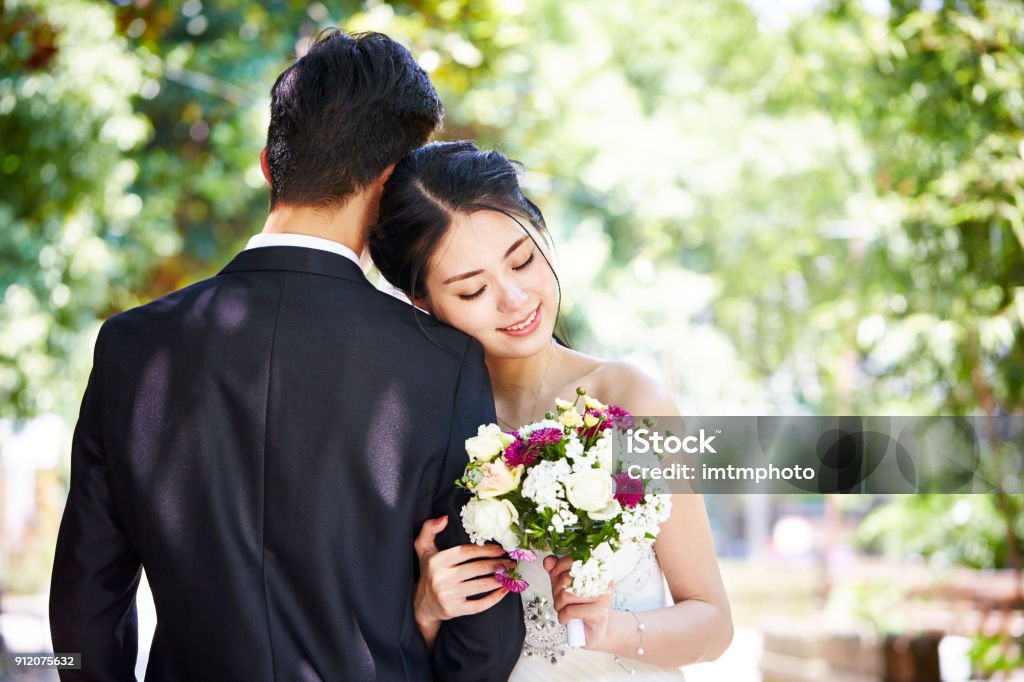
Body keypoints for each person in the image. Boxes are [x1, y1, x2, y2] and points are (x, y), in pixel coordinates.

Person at [49, 31, 524, 681]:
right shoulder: (442, 364)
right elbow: (488, 631)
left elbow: (80, 616)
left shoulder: (132, 346)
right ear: (392, 190)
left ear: (269, 167)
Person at [370, 141, 734, 679]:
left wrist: (610, 631)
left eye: (523, 259)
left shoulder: (631, 399)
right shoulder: (418, 429)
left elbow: (713, 623)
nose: (515, 299)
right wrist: (428, 608)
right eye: (473, 291)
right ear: (423, 304)